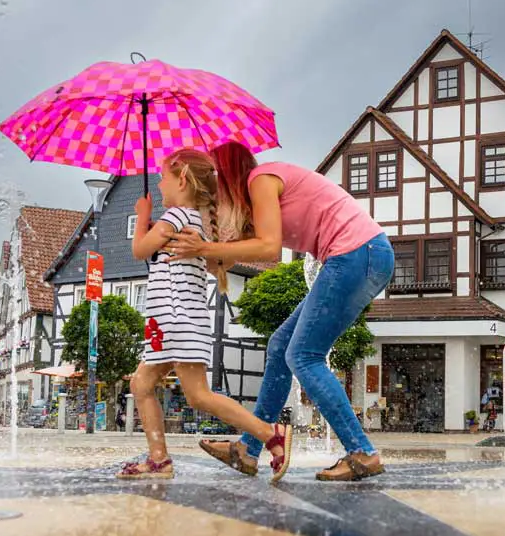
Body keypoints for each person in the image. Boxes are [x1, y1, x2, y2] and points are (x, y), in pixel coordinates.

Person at [169, 142, 394, 482]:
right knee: (280, 346)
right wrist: (200, 250)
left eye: (215, 174)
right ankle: (249, 449)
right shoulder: (254, 202)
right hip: (365, 256)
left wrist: (204, 248)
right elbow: (231, 255)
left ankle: (362, 452)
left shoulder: (262, 179)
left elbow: (269, 248)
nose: (213, 185)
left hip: (356, 253)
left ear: (227, 170)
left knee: (303, 355)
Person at [118, 149, 291, 481]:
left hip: (175, 319)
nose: (158, 181)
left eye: (163, 177)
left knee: (198, 395)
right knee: (142, 383)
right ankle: (159, 459)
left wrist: (142, 216)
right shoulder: (189, 220)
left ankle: (270, 435)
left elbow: (139, 249)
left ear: (181, 179)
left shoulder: (178, 217)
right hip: (171, 319)